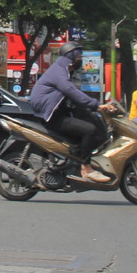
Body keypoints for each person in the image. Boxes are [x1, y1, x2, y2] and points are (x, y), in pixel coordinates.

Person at [28, 42, 109, 183]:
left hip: (59, 113)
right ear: (70, 56)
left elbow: (72, 96)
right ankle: (86, 168)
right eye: (79, 56)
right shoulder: (59, 72)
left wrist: (91, 107)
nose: (80, 59)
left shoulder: (64, 70)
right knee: (89, 130)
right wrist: (96, 105)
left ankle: (74, 160)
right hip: (51, 117)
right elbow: (71, 91)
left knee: (88, 120)